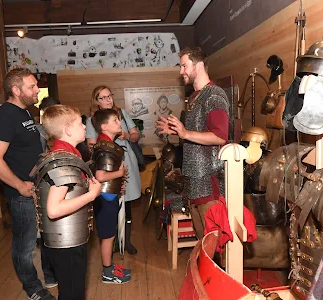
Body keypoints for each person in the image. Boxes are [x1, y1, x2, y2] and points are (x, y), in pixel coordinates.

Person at [0, 68, 56, 300]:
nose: (37, 90)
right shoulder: (5, 116)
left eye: (36, 85)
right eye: (32, 87)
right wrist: (19, 185)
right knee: (24, 246)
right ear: (16, 90)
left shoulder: (24, 113)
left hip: (35, 189)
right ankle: (33, 288)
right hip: (21, 193)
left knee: (44, 236)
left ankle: (49, 275)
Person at [38, 104, 102, 299]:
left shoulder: (63, 155)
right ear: (67, 130)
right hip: (66, 243)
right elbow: (54, 209)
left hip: (67, 239)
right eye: (80, 123)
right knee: (72, 294)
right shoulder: (64, 161)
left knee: (71, 291)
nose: (84, 127)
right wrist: (91, 195)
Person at [156, 47, 229, 208]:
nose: (181, 71)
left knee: (212, 232)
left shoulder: (214, 96)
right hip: (193, 179)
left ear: (199, 66)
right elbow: (197, 133)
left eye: (184, 66)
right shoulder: (195, 97)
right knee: (200, 233)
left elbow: (220, 136)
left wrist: (186, 133)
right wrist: (177, 132)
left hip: (208, 181)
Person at [86, 86, 142, 255]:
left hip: (126, 161)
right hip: (107, 165)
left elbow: (136, 135)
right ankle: (112, 241)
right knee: (110, 204)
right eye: (102, 97)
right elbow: (91, 145)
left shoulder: (121, 113)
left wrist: (127, 137)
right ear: (96, 101)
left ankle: (126, 241)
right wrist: (107, 146)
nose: (108, 100)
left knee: (128, 201)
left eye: (109, 96)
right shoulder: (92, 120)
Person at [91, 109, 132, 284]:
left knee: (110, 234)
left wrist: (119, 179)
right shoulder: (104, 146)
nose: (118, 122)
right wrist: (120, 173)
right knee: (108, 235)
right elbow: (100, 176)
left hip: (109, 195)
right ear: (104, 126)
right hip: (105, 197)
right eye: (114, 120)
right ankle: (107, 273)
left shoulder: (107, 144)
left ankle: (110, 266)